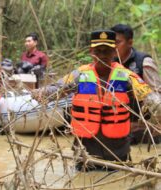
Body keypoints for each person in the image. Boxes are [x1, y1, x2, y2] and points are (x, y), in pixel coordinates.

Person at [33, 30, 161, 171]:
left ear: (114, 52)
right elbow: (53, 91)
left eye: (107, 51)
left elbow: (152, 99)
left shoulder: (127, 77)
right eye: (98, 51)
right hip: (85, 153)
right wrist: (36, 93)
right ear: (91, 52)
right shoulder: (79, 75)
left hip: (117, 153)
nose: (102, 55)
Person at [111, 24, 161, 144]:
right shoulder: (108, 63)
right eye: (110, 43)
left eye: (117, 42)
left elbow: (158, 100)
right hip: (117, 124)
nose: (113, 47)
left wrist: (149, 126)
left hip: (143, 127)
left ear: (130, 43)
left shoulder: (143, 63)